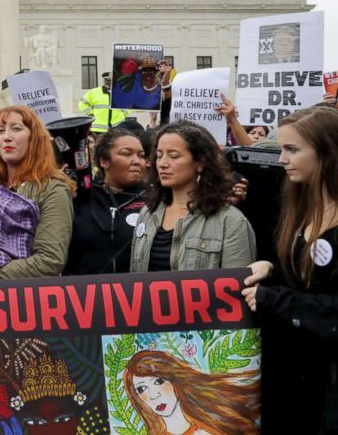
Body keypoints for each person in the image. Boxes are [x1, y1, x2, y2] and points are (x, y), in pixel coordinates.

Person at [242, 106, 338, 433]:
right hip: (295, 376)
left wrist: (273, 298)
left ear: (327, 152)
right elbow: (306, 282)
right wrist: (273, 269)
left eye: (292, 150)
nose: (281, 159)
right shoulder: (298, 207)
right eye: (282, 148)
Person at [130, 121, 256, 272]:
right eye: (159, 156)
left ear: (200, 163)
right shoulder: (148, 213)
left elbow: (237, 287)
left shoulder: (231, 221)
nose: (162, 163)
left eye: (174, 156)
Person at [0, 106, 75, 280]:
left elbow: (49, 260)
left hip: (26, 299)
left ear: (34, 138)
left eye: (16, 128)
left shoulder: (52, 189)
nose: (6, 137)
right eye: (0, 131)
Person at [65, 128, 147, 275]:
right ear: (104, 161)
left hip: (134, 294)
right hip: (81, 294)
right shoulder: (80, 197)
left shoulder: (154, 201)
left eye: (141, 155)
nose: (137, 161)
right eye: (127, 154)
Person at [124, 350, 259, 435]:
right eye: (141, 389)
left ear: (174, 380)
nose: (154, 395)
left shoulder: (213, 421)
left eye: (159, 382)